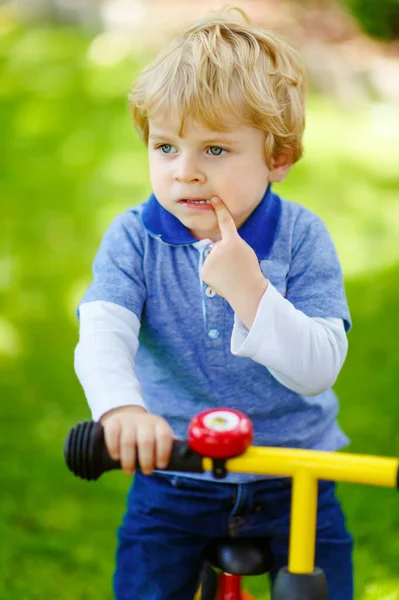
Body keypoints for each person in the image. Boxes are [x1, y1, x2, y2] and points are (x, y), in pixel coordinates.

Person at [74, 7, 353, 600]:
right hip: (172, 471)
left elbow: (318, 370)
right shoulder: (134, 239)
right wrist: (122, 410)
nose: (186, 173)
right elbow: (102, 332)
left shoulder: (302, 238)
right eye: (167, 146)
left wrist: (250, 290)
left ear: (277, 158)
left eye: (216, 151)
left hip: (294, 477)